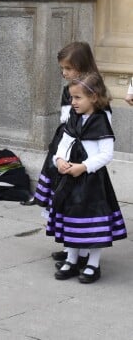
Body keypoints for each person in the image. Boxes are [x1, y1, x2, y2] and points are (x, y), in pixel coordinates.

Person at [32, 42, 107, 266]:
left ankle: (84, 253)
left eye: (68, 68)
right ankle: (71, 248)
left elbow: (101, 121)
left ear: (82, 67)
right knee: (64, 199)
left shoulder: (94, 90)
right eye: (62, 69)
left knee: (81, 202)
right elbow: (66, 119)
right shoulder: (71, 89)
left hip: (83, 151)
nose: (64, 73)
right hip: (66, 144)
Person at [48, 72, 127, 283]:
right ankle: (72, 259)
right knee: (71, 218)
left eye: (77, 98)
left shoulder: (101, 121)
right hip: (70, 179)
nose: (73, 102)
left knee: (93, 221)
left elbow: (106, 154)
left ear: (93, 97)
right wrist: (59, 160)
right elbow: (64, 143)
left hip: (92, 181)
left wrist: (84, 166)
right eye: (71, 97)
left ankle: (93, 263)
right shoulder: (73, 119)